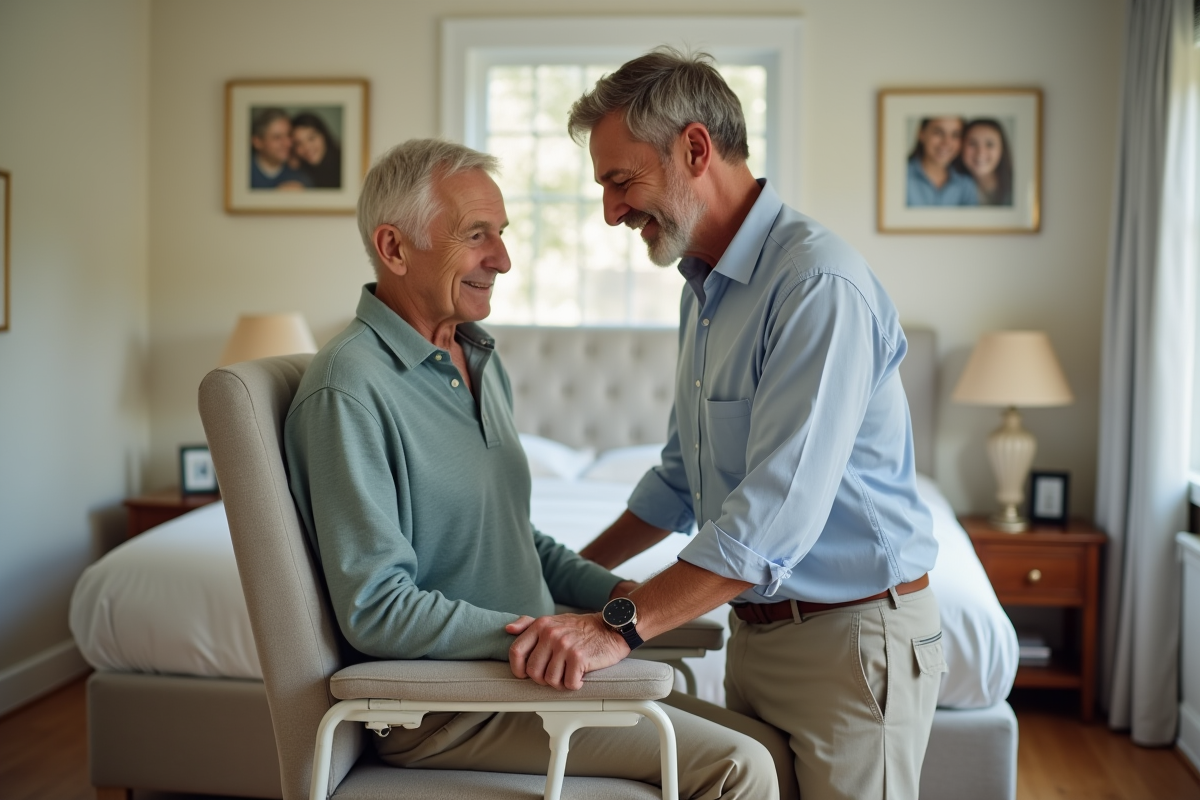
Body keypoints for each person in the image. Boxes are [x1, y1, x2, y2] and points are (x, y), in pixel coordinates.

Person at [283, 138, 790, 800]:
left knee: (772, 751)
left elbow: (515, 540)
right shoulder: (348, 389)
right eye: (476, 236)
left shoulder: (475, 359)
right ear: (394, 248)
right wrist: (546, 636)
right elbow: (377, 608)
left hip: (521, 678)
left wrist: (622, 603)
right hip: (450, 707)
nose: (503, 259)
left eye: (502, 234)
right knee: (740, 768)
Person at [505, 48, 944, 800]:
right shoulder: (704, 287)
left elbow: (770, 520)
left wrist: (616, 624)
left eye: (620, 181)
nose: (611, 212)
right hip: (755, 631)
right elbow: (679, 479)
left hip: (852, 640)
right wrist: (563, 584)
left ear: (695, 149)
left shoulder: (816, 285)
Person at [905, 115, 977, 206]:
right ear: (921, 134)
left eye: (955, 135)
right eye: (938, 133)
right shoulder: (900, 176)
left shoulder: (965, 182)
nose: (947, 142)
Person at [249, 108, 311, 190]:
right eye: (277, 137)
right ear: (257, 142)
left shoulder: (301, 178)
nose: (288, 143)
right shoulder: (241, 175)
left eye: (289, 135)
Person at [958, 118, 1013, 206]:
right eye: (972, 143)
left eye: (989, 144)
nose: (980, 152)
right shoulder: (954, 187)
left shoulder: (1016, 187)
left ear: (1002, 149)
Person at [290, 111, 343, 188]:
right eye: (299, 143)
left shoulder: (344, 162)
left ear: (324, 135)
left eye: (311, 138)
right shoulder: (299, 172)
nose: (307, 147)